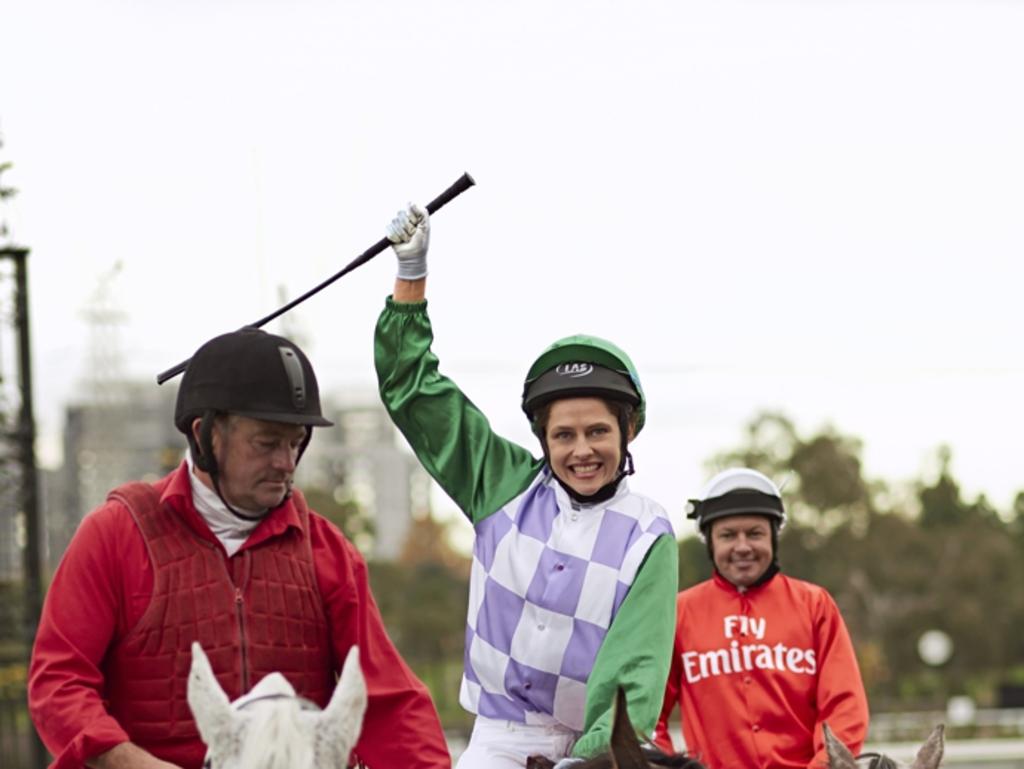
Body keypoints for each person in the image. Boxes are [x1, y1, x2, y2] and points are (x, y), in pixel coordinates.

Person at [28, 328, 451, 769]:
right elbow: (59, 681)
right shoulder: (114, 534)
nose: (286, 463)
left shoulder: (329, 550)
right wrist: (131, 762)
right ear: (206, 434)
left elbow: (391, 702)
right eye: (267, 443)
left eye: (295, 444)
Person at [375, 203, 678, 769]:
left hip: (600, 751)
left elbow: (633, 673)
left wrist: (588, 762)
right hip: (499, 741)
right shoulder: (501, 483)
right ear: (543, 439)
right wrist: (411, 275)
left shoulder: (650, 533)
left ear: (627, 430)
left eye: (597, 432)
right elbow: (415, 393)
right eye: (564, 435)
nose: (581, 450)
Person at [653, 467, 869, 769]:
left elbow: (845, 707)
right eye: (728, 535)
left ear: (773, 537)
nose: (742, 547)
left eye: (754, 533)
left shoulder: (815, 605)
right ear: (710, 542)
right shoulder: (679, 613)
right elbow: (647, 710)